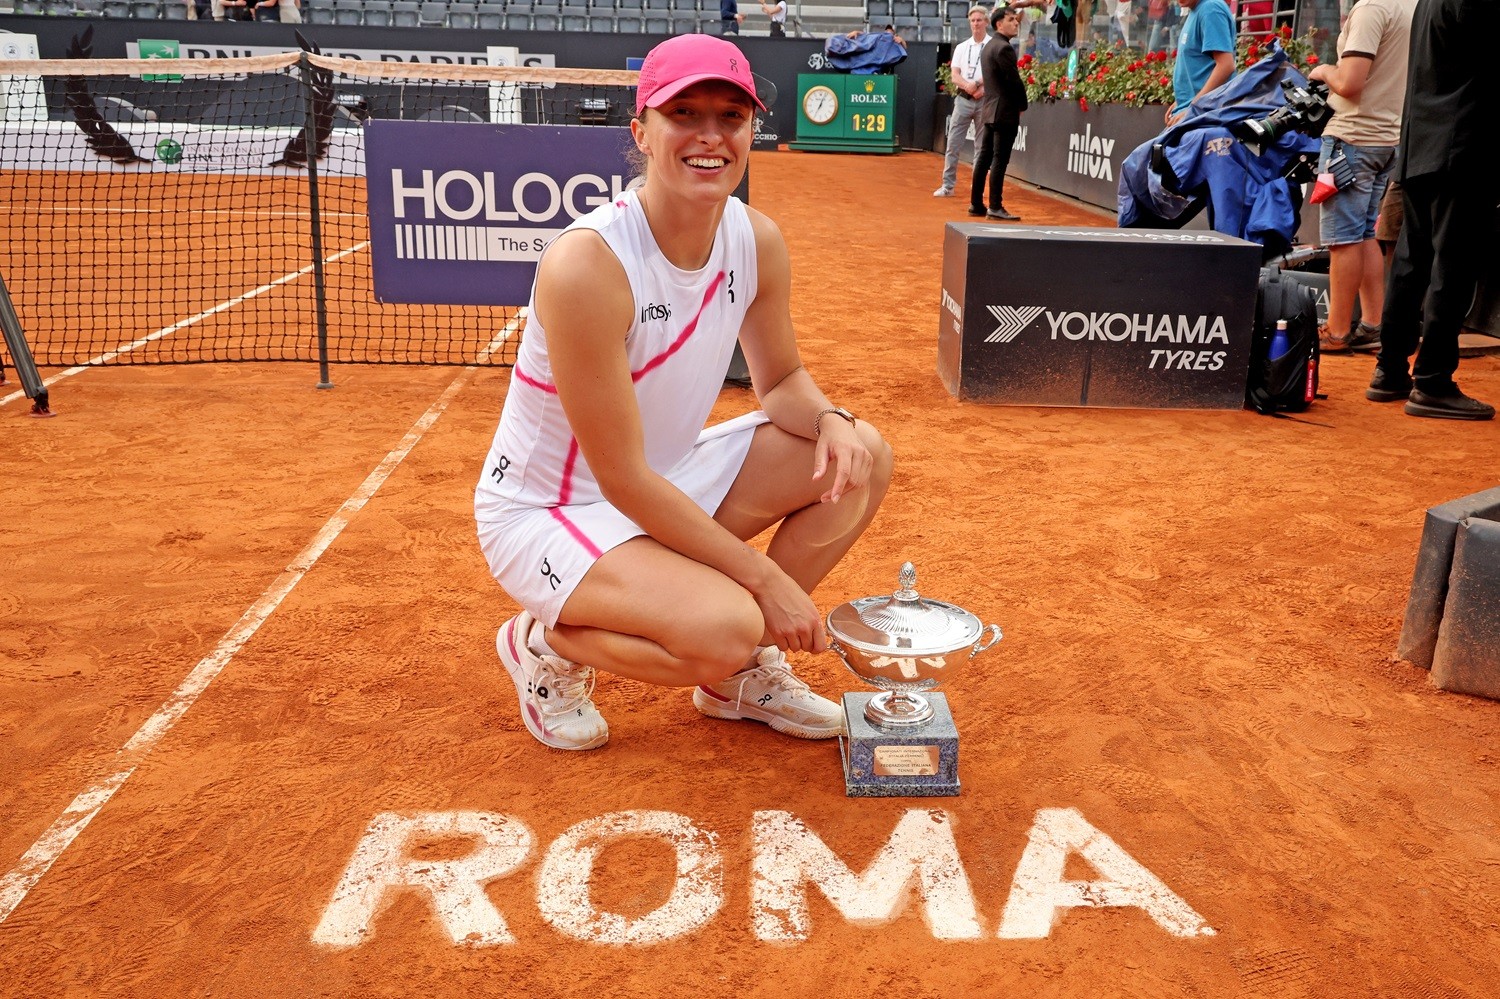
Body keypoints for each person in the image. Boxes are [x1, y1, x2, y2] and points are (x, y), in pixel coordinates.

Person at [474, 34, 895, 752]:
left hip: (660, 480)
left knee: (864, 456)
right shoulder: (588, 265)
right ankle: (544, 643)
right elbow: (620, 477)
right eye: (684, 114)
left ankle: (738, 677)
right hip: (550, 511)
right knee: (727, 624)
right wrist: (765, 581)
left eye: (731, 117)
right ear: (641, 132)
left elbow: (781, 382)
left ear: (751, 132)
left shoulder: (756, 240)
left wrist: (830, 417)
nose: (710, 136)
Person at [1365, 0, 1498, 419]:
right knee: (1451, 268)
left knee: (1411, 262)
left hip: (1421, 143)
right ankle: (1433, 382)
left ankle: (1389, 370)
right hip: (1461, 148)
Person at [1306, 0, 1415, 355]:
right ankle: (1372, 324)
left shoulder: (1371, 8)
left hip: (1353, 137)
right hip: (1389, 140)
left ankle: (1337, 332)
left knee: (1343, 240)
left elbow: (1349, 83)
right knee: (1366, 232)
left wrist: (1324, 70)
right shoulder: (1414, 6)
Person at [969, 4, 1027, 221]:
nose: (1016, 23)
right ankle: (995, 206)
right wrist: (1022, 105)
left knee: (984, 158)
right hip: (1004, 112)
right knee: (999, 160)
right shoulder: (1004, 48)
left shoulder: (989, 46)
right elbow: (1014, 82)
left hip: (990, 110)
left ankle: (976, 204)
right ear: (999, 24)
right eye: (1011, 20)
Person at [934, 6, 990, 199]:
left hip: (985, 100)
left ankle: (977, 188)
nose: (976, 24)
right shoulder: (961, 47)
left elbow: (994, 73)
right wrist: (969, 86)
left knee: (981, 147)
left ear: (986, 22)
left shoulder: (993, 45)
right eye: (973, 20)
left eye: (979, 20)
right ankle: (947, 186)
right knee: (953, 144)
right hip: (963, 100)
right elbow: (955, 76)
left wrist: (978, 85)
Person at [1165, 0, 1235, 126]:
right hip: (1193, 113)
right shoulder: (1197, 9)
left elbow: (1226, 65)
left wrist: (1193, 108)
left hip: (1204, 117)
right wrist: (1181, 101)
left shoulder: (1210, 9)